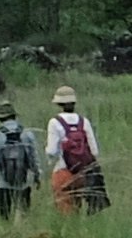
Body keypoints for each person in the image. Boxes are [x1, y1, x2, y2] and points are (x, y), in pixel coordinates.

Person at [47, 88, 111, 216]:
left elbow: (52, 151)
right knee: (78, 205)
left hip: (63, 171)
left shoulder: (54, 122)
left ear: (59, 104)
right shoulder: (84, 121)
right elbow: (94, 151)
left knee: (66, 211)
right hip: (83, 173)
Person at [0, 102, 41, 220]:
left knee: (3, 219)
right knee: (23, 218)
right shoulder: (27, 133)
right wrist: (37, 176)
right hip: (23, 182)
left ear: (0, 118)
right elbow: (34, 159)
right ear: (14, 116)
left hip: (1, 183)